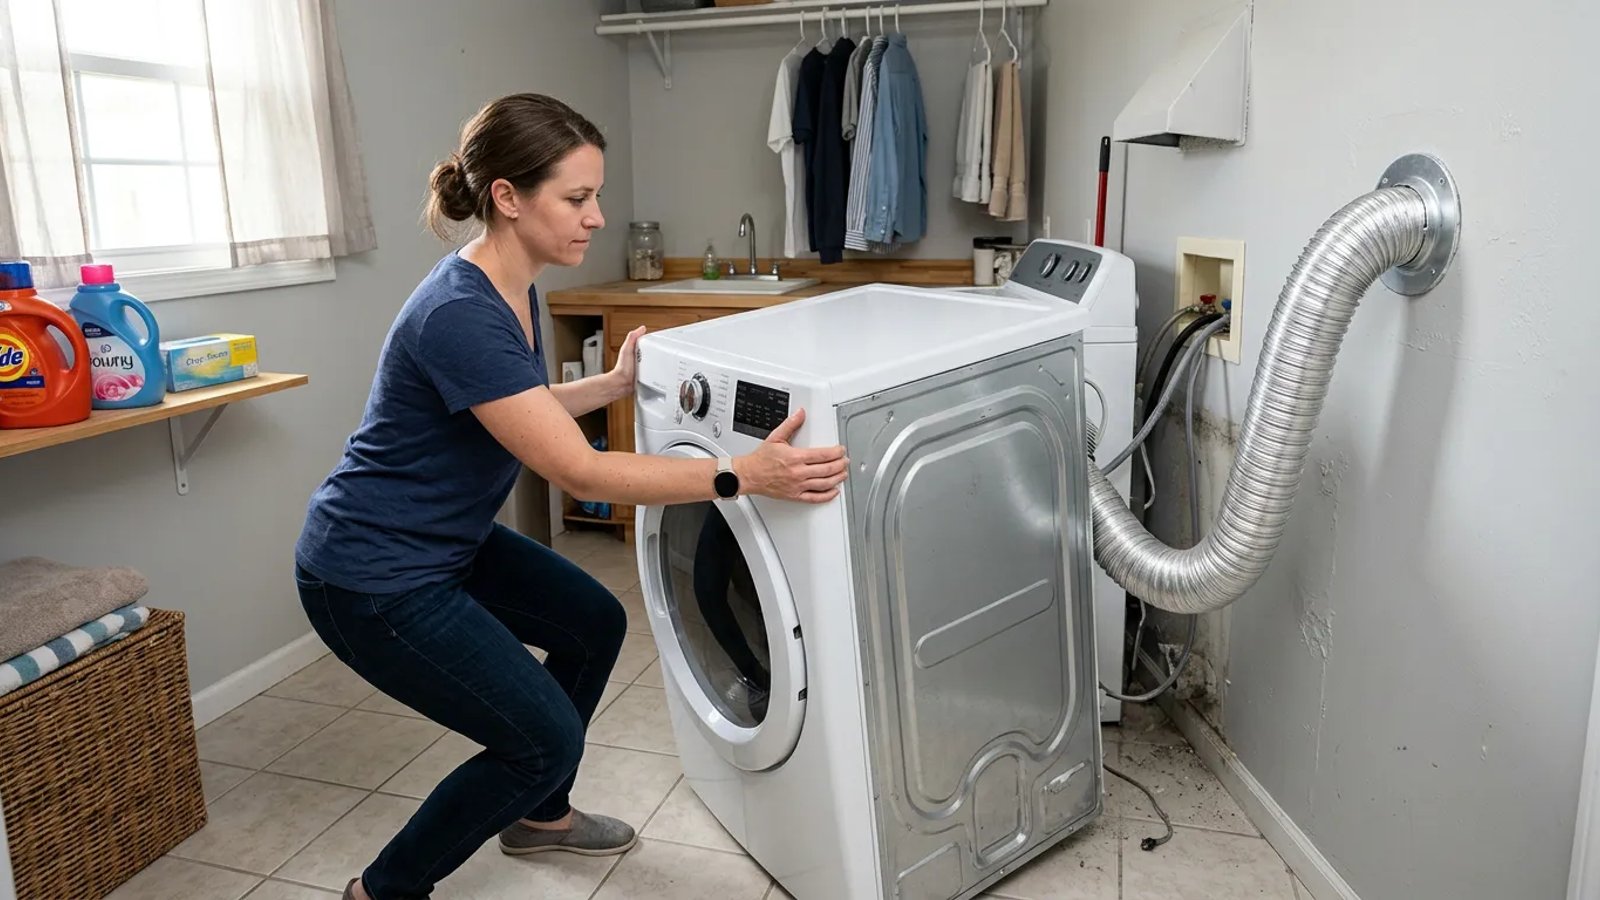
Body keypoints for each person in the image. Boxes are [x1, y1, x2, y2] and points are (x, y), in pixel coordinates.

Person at [292, 93, 850, 900]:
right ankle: (382, 891)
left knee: (593, 622)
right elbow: (580, 474)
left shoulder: (515, 283)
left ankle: (538, 818)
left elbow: (516, 411)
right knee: (538, 741)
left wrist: (611, 384)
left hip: (441, 543)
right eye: (577, 198)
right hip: (372, 575)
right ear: (508, 199)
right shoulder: (459, 312)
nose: (597, 218)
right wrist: (740, 475)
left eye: (597, 195)